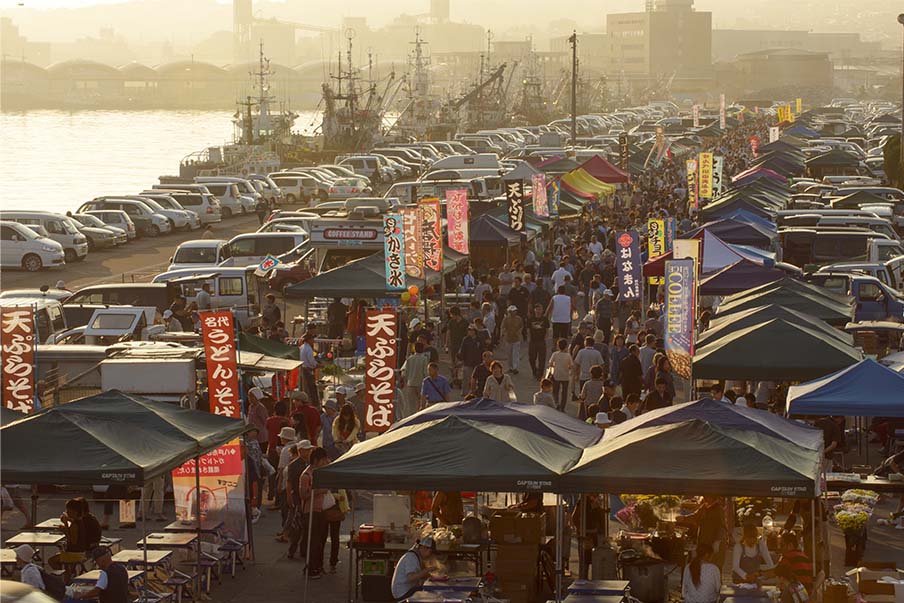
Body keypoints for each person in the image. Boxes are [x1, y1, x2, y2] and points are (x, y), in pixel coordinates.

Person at [298, 447, 331, 579]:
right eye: (323, 460)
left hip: (321, 510)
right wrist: (319, 490)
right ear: (316, 460)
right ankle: (311, 569)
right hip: (310, 512)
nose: (325, 462)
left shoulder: (320, 473)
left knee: (321, 541)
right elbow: (303, 495)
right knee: (313, 542)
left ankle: (319, 566)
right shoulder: (306, 475)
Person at [401, 342, 430, 418]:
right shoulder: (424, 359)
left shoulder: (409, 359)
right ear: (422, 349)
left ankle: (412, 418)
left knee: (411, 405)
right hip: (421, 383)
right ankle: (420, 417)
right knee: (421, 403)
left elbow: (405, 373)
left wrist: (406, 382)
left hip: (410, 383)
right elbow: (425, 372)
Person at [547, 338, 573, 412]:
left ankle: (556, 403)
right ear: (566, 346)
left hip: (556, 375)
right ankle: (562, 407)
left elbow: (550, 364)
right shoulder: (568, 355)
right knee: (564, 392)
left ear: (558, 346)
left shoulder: (555, 354)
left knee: (555, 391)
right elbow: (571, 366)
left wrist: (554, 366)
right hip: (565, 376)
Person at [527, 304, 550, 379]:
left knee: (542, 359)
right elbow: (528, 330)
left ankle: (540, 374)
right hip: (533, 341)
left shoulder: (545, 319)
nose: (538, 311)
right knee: (531, 358)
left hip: (541, 341)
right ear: (534, 310)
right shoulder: (531, 319)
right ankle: (534, 370)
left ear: (542, 310)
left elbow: (547, 330)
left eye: (540, 309)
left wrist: (546, 338)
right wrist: (529, 339)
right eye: (537, 309)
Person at [458, 325, 483, 393]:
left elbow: (482, 349)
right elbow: (462, 350)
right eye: (469, 330)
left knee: (476, 378)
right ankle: (465, 391)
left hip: (477, 361)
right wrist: (461, 359)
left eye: (471, 330)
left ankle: (474, 391)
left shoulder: (479, 339)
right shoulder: (466, 339)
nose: (470, 332)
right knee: (466, 377)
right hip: (467, 361)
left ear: (475, 331)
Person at [500, 305, 524, 374]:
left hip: (516, 339)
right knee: (509, 354)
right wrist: (502, 334)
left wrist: (519, 332)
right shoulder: (506, 319)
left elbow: (521, 326)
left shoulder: (518, 319)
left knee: (515, 354)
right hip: (508, 339)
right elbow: (502, 327)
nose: (514, 312)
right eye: (512, 311)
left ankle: (515, 368)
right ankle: (510, 367)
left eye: (515, 311)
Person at [299, 333, 320, 405]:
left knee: (304, 387)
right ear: (308, 340)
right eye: (312, 339)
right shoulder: (308, 349)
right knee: (311, 389)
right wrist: (318, 365)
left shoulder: (301, 347)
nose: (313, 341)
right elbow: (311, 361)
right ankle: (314, 404)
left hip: (303, 369)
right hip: (308, 370)